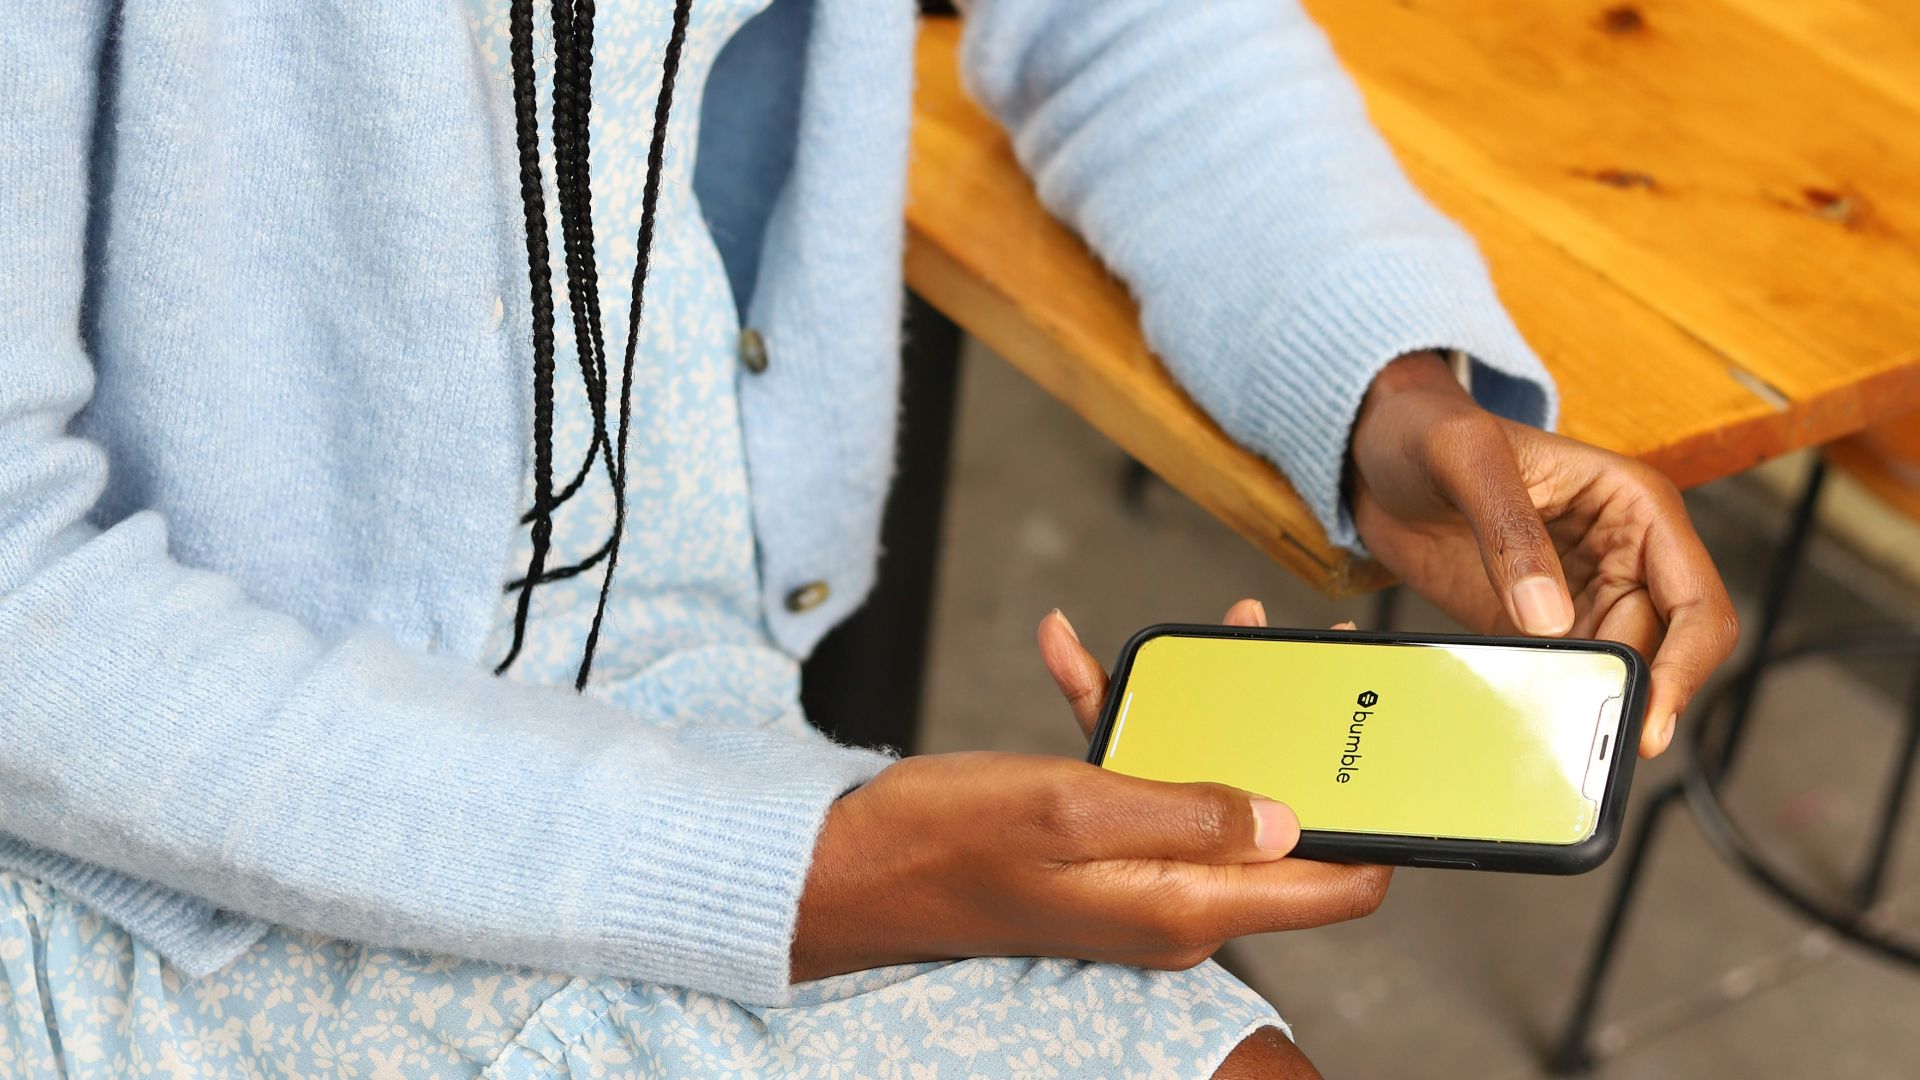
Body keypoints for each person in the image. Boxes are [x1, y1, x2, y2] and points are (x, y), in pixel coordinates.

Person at [0, 0, 1736, 1076]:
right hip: (152, 845)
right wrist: (796, 872)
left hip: (688, 701)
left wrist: (1385, 386)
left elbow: (1128, 24)